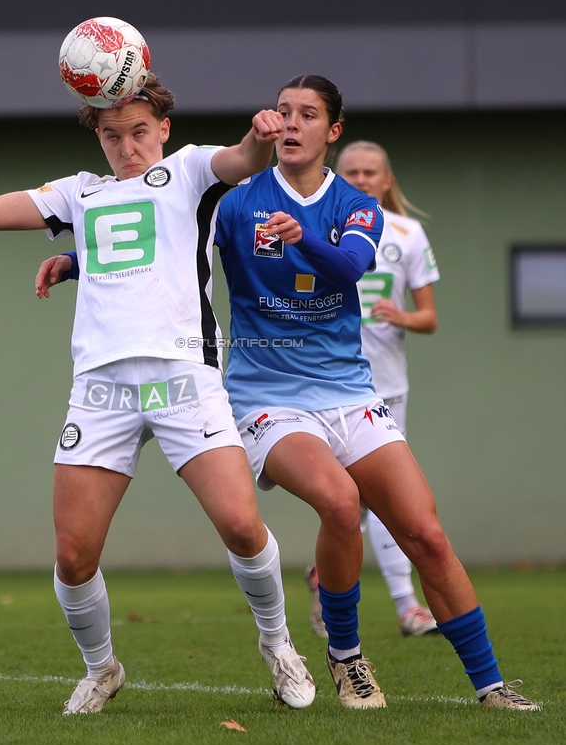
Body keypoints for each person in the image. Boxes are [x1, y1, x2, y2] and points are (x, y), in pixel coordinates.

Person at [46, 74, 539, 711]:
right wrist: (77, 260)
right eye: (283, 111)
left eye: (307, 114)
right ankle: (346, 656)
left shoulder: (355, 204)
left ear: (332, 132)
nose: (290, 123)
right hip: (265, 396)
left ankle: (492, 686)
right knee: (340, 502)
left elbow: (350, 269)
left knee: (426, 534)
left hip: (348, 391)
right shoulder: (237, 199)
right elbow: (164, 242)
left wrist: (302, 236)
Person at [0, 77, 316, 715]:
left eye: (138, 132)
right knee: (74, 556)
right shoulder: (79, 192)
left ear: (161, 128)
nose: (127, 146)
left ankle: (278, 643)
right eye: (112, 135)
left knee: (243, 526)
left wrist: (259, 136)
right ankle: (102, 668)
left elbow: (242, 160)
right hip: (102, 387)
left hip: (185, 376)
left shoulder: (189, 173)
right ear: (98, 138)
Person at [305, 140, 440, 639]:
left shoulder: (407, 233)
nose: (361, 179)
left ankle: (392, 602)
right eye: (352, 172)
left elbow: (429, 317)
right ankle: (398, 603)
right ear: (337, 176)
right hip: (327, 382)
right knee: (347, 499)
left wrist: (401, 315)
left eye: (370, 173)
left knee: (374, 498)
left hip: (386, 383)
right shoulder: (315, 223)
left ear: (386, 181)